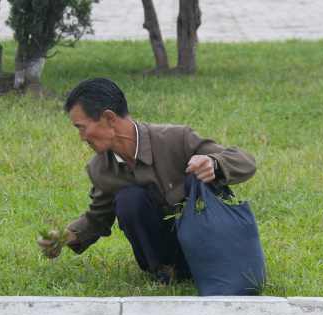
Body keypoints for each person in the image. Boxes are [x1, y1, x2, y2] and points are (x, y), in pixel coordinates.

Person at [37, 77, 257, 285]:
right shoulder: (100, 169)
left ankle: (214, 263)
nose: (82, 138)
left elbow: (245, 161)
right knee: (129, 199)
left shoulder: (176, 138)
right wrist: (65, 236)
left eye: (82, 128)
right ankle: (166, 269)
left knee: (196, 179)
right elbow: (97, 219)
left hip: (211, 245)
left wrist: (214, 163)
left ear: (108, 118)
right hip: (169, 255)